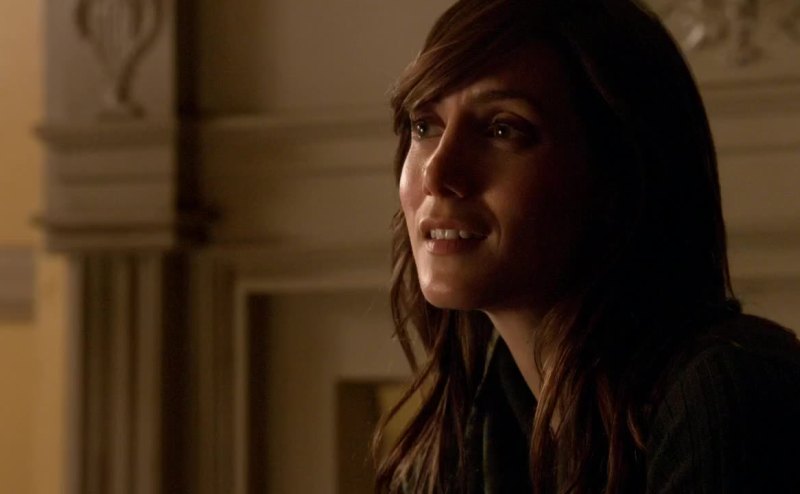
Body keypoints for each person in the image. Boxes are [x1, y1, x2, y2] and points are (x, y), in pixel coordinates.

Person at [371, 0, 800, 492]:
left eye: (502, 129)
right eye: (425, 126)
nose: (437, 173)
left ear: (618, 174)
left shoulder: (727, 394)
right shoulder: (477, 431)